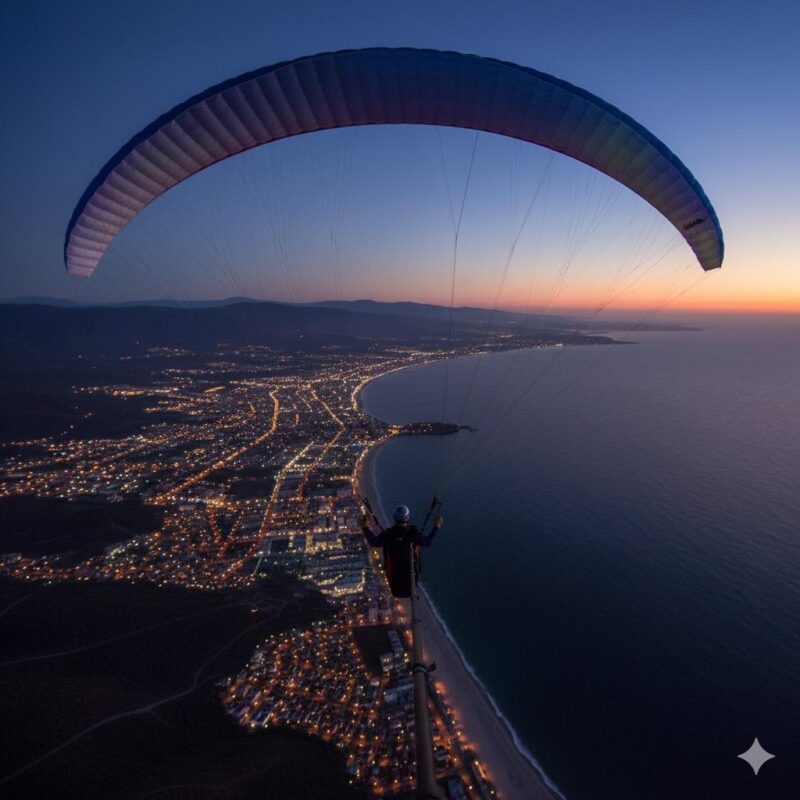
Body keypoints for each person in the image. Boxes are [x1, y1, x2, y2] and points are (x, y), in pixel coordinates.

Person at [360, 504, 443, 598]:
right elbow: (428, 542)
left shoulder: (388, 534)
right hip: (411, 585)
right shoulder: (413, 533)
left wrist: (365, 527)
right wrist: (437, 527)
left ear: (395, 518)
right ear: (407, 517)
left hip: (395, 585)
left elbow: (373, 542)